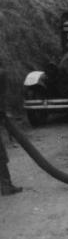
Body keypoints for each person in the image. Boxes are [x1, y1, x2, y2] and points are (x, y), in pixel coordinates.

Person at [0, 67, 21, 195]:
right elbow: (1, 96)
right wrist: (3, 113)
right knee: (0, 156)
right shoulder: (1, 73)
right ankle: (6, 186)